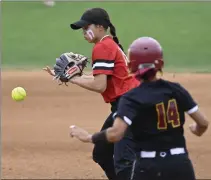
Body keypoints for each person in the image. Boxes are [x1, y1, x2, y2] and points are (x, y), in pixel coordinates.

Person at [69, 36, 209, 180]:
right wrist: (197, 130)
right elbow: (203, 123)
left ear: (130, 67)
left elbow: (115, 133)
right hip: (180, 164)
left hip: (148, 167)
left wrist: (89, 137)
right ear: (161, 63)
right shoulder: (176, 90)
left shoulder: (131, 98)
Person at [43, 8, 139, 180]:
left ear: (100, 27)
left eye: (86, 27)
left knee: (124, 163)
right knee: (102, 153)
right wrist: (72, 76)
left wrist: (71, 78)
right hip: (126, 105)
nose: (83, 32)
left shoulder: (102, 47)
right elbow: (102, 79)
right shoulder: (109, 44)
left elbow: (99, 85)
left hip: (129, 107)